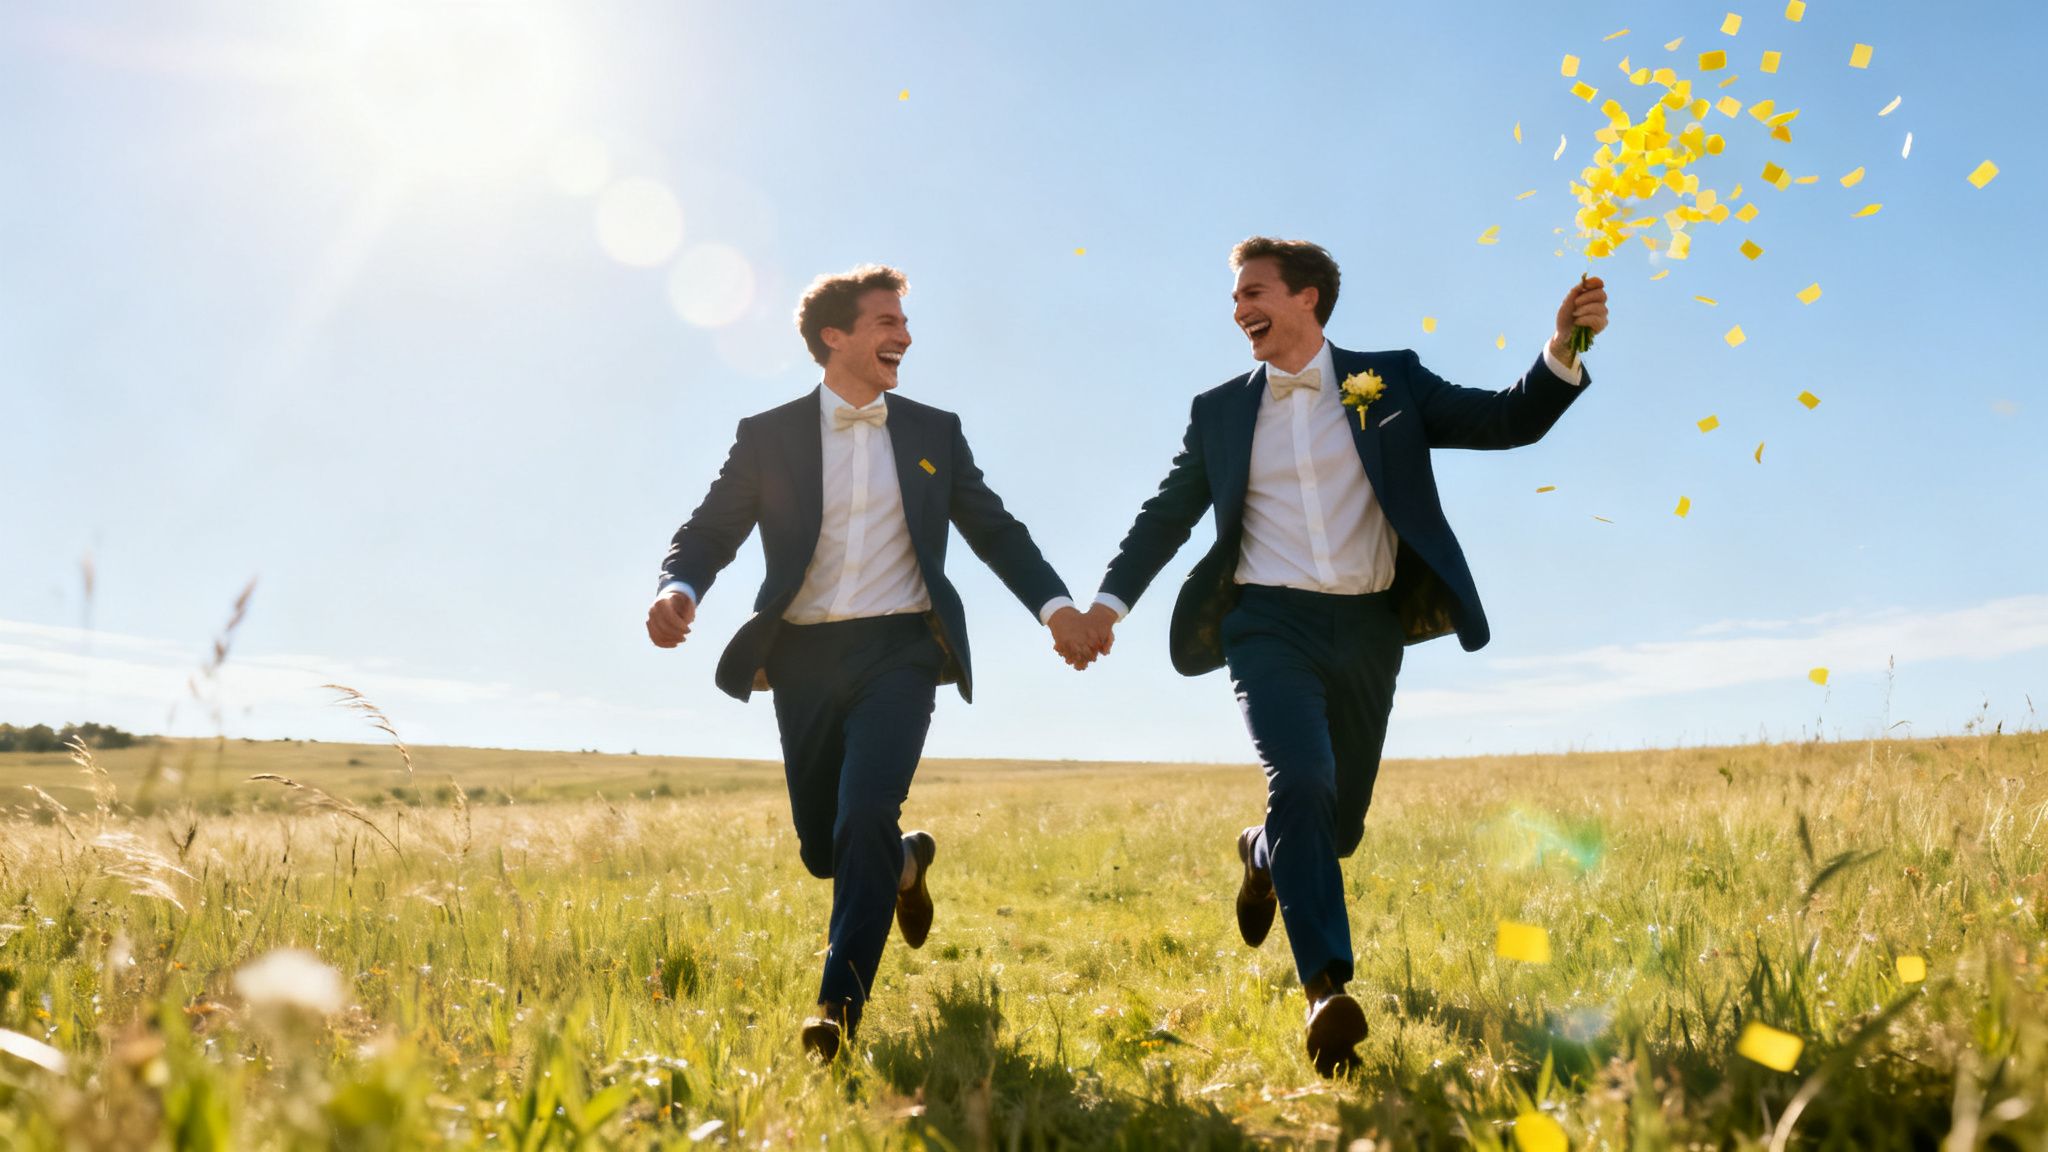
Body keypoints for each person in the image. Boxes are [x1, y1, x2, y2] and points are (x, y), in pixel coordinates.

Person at [1072, 237, 1607, 1075]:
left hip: (1367, 628)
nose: (1239, 308)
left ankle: (1262, 853)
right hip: (1266, 626)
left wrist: (1563, 348)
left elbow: (1508, 422)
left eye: (1254, 292)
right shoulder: (1218, 410)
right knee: (1304, 782)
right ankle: (1326, 990)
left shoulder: (1387, 380)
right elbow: (1165, 516)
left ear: (1308, 298)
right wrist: (1105, 607)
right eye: (1235, 297)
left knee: (1338, 824)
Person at [645, 264, 1102, 1061]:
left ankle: (837, 1010)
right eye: (887, 321)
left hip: (900, 651)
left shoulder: (934, 432)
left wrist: (1057, 609)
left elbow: (995, 530)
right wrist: (679, 588)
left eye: (904, 322)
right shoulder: (769, 435)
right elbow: (710, 530)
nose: (905, 336)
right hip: (804, 656)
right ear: (835, 336)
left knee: (864, 814)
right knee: (829, 849)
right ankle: (905, 861)